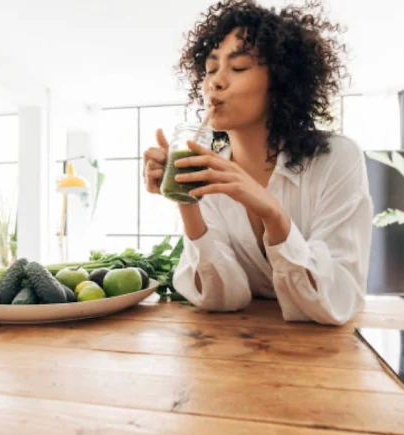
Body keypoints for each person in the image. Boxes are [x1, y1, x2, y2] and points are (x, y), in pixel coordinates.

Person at [142, 0, 373, 325]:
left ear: (280, 81)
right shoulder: (207, 171)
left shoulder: (336, 159)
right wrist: (186, 199)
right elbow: (222, 299)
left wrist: (273, 215)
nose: (215, 82)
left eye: (238, 68)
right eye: (211, 69)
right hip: (238, 347)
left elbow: (336, 300)